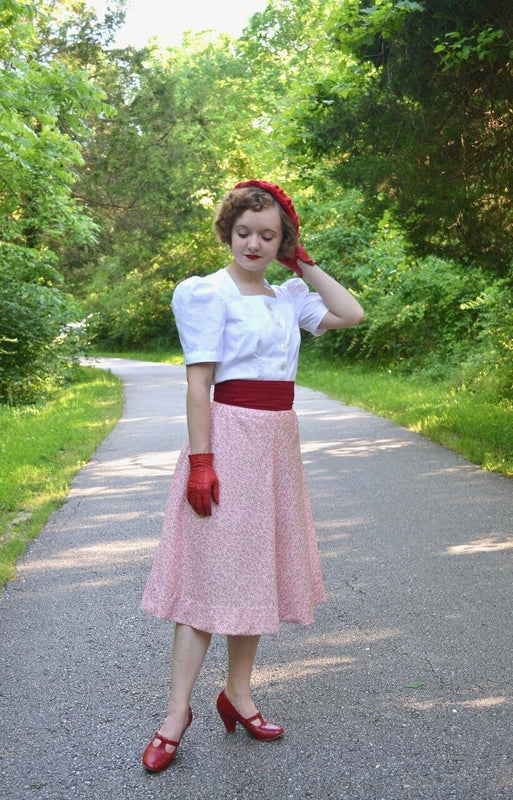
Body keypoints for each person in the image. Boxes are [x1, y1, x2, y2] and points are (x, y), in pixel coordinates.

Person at [140, 180, 365, 772]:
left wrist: (307, 264)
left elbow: (351, 313)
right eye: (245, 232)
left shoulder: (289, 295)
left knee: (254, 578)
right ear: (228, 232)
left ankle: (238, 696)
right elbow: (198, 383)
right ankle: (176, 712)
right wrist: (201, 460)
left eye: (269, 235)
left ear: (282, 241)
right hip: (228, 439)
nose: (254, 244)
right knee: (209, 580)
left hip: (276, 446)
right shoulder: (206, 294)